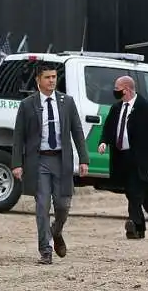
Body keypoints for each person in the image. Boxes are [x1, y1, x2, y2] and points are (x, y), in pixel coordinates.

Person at [11, 63, 90, 264]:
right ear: (38, 80)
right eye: (47, 77)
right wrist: (17, 163)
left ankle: (57, 231)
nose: (52, 80)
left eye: (54, 77)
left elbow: (77, 131)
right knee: (42, 206)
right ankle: (45, 251)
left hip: (61, 161)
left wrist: (84, 159)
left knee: (63, 206)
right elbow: (18, 135)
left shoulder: (67, 102)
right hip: (39, 162)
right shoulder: (28, 104)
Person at [97, 75, 148, 239]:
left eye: (117, 89)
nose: (115, 92)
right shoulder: (116, 107)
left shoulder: (146, 108)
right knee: (130, 193)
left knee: (135, 191)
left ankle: (132, 223)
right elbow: (109, 127)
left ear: (127, 89)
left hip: (139, 157)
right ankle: (140, 227)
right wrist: (104, 142)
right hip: (121, 156)